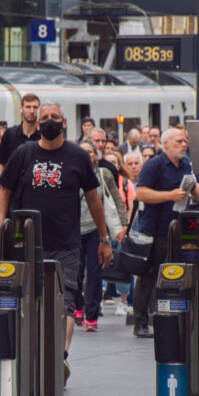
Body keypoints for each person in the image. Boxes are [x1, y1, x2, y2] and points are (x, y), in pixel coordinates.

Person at [0, 101, 112, 386]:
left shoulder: (77, 156)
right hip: (26, 242)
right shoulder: (23, 154)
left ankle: (59, 354)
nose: (48, 120)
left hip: (66, 243)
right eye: (44, 117)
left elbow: (93, 198)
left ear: (64, 123)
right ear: (37, 125)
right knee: (26, 300)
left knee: (66, 301)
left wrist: (104, 238)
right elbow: (4, 192)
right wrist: (1, 230)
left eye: (54, 117)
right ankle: (31, 352)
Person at [132, 128, 199, 338]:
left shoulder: (185, 164)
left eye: (185, 141)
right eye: (178, 141)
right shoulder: (154, 165)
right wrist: (169, 195)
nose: (184, 144)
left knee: (174, 275)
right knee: (148, 277)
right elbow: (141, 193)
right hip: (155, 231)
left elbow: (193, 185)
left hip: (179, 230)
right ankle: (140, 321)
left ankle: (168, 316)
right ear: (166, 144)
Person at [74, 140, 128, 331]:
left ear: (96, 155)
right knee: (76, 273)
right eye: (84, 151)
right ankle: (78, 305)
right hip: (73, 229)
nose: (88, 155)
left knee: (95, 272)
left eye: (91, 152)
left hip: (97, 230)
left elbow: (116, 199)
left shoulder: (104, 174)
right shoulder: (72, 172)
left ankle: (92, 314)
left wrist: (124, 224)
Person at [102, 150, 136, 316]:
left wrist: (126, 227)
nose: (111, 165)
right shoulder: (98, 180)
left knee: (123, 266)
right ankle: (99, 299)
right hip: (104, 229)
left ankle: (122, 302)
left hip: (120, 229)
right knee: (99, 264)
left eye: (114, 162)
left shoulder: (125, 183)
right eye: (107, 161)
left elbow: (131, 207)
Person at [0, 93, 41, 176]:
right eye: (28, 107)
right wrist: (2, 185)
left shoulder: (43, 135)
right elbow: (0, 163)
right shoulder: (10, 134)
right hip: (14, 186)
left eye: (35, 107)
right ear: (21, 109)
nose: (32, 111)